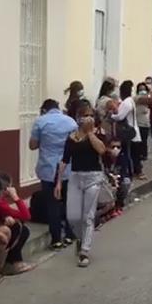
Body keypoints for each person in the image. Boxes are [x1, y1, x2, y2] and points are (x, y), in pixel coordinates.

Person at [54, 105, 106, 267]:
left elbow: (102, 150)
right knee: (73, 217)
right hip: (76, 177)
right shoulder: (71, 138)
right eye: (85, 115)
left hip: (93, 177)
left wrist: (90, 132)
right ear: (78, 118)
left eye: (91, 115)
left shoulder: (98, 134)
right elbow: (64, 160)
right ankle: (80, 238)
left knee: (88, 216)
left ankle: (84, 251)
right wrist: (58, 183)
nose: (88, 118)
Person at [29, 99, 78, 250]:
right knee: (70, 202)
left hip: (48, 169)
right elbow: (76, 143)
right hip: (68, 168)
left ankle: (56, 239)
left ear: (44, 109)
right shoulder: (71, 122)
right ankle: (70, 235)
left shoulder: (40, 122)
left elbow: (33, 145)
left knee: (52, 205)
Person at [0, 172, 36, 275]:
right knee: (19, 228)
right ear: (6, 189)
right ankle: (11, 263)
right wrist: (15, 197)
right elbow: (26, 216)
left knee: (21, 227)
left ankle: (16, 261)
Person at [112, 80, 144, 180]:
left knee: (128, 153)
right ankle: (135, 171)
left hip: (128, 132)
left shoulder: (126, 103)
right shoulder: (130, 101)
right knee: (133, 154)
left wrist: (111, 116)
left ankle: (128, 172)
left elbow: (120, 116)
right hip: (133, 130)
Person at [135, 82, 151, 162]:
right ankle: (138, 155)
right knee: (138, 140)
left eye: (144, 89)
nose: (142, 91)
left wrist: (149, 93)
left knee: (144, 140)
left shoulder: (148, 98)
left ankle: (144, 155)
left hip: (145, 122)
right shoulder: (136, 98)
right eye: (140, 89)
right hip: (137, 122)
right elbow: (141, 100)